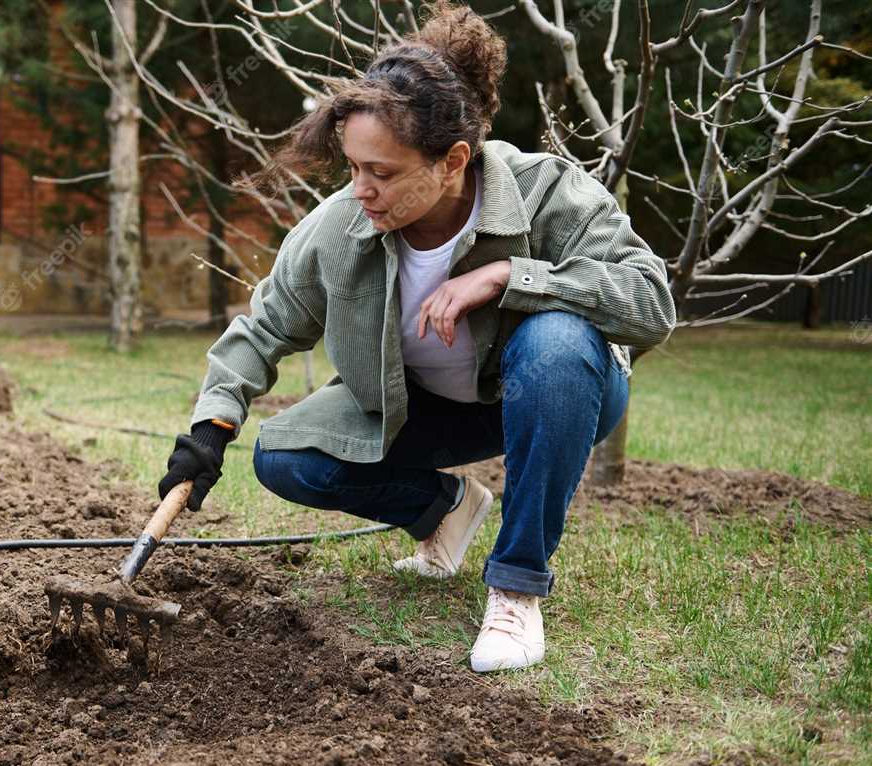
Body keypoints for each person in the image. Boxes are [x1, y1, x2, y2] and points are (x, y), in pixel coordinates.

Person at [158, 1, 674, 672]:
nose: (361, 191)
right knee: (284, 454)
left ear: (453, 160)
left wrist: (509, 276)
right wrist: (209, 429)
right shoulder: (338, 228)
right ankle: (443, 511)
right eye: (352, 168)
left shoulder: (546, 191)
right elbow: (261, 329)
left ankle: (516, 588)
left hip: (562, 387)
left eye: (384, 172)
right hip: (429, 407)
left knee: (553, 341)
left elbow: (650, 299)